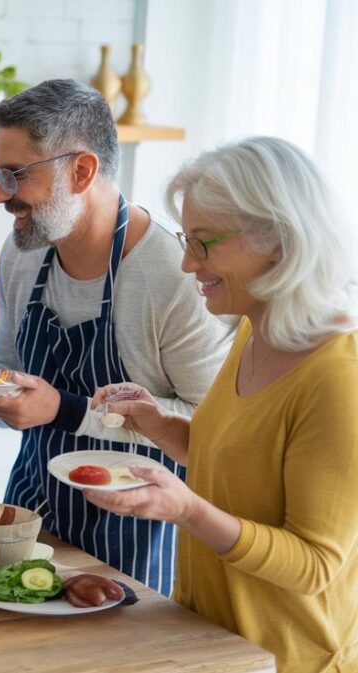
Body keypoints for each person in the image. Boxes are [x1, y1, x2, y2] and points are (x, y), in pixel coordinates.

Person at [86, 137, 358, 673]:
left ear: (278, 240)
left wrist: (186, 508)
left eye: (205, 243)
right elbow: (239, 466)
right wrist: (161, 425)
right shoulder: (255, 329)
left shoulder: (339, 379)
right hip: (215, 646)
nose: (188, 263)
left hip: (290, 659)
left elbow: (316, 564)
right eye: (187, 239)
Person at [0, 79, 232, 594]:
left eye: (14, 174)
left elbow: (214, 435)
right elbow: (3, 377)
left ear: (82, 171)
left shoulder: (173, 276)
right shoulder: (22, 253)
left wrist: (62, 408)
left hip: (139, 541)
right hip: (33, 521)